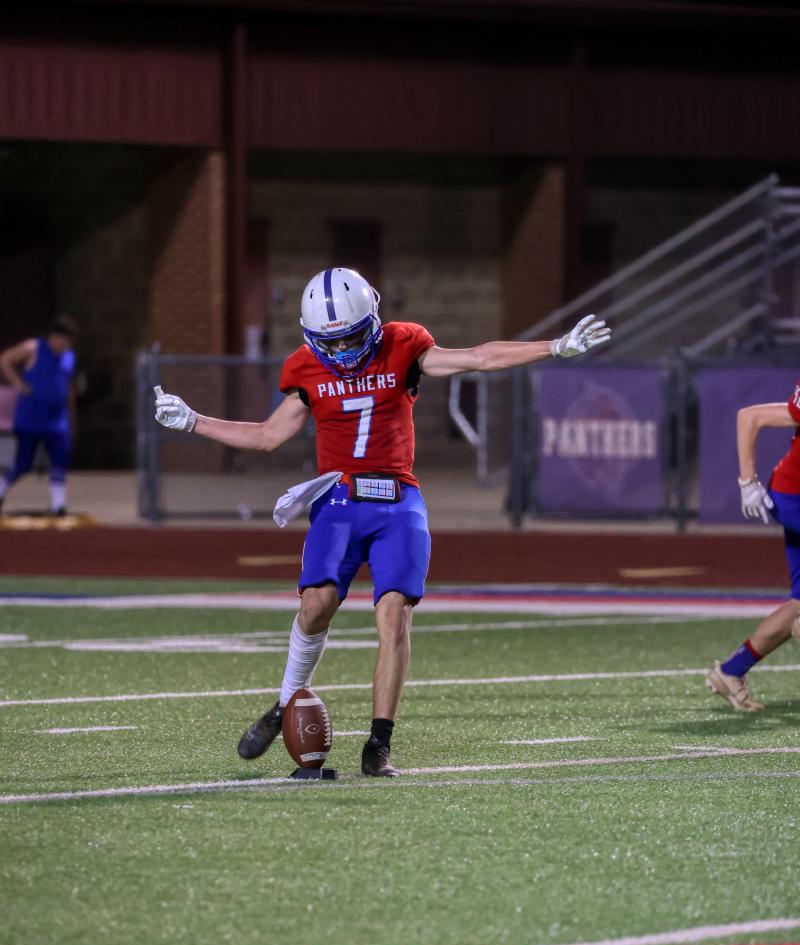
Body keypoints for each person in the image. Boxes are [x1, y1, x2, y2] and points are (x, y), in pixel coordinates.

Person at [155, 267, 611, 775]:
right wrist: (194, 421)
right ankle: (284, 703)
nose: (343, 350)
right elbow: (267, 436)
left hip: (398, 500)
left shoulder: (402, 344)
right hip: (340, 497)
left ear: (371, 321)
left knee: (395, 615)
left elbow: (478, 357)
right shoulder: (305, 367)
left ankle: (379, 744)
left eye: (351, 337)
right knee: (315, 605)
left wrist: (554, 347)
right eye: (333, 341)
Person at [706, 381, 800, 711]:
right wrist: (747, 483)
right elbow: (751, 417)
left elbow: (752, 417)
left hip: (790, 495)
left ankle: (730, 672)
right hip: (795, 499)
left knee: (798, 603)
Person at [0, 315, 79, 516]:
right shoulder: (33, 348)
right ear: (52, 337)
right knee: (23, 463)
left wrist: (71, 417)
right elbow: (5, 360)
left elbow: (68, 386)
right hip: (30, 418)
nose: (64, 345)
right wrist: (18, 384)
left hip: (57, 420)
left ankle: (58, 505)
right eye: (62, 340)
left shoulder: (69, 356)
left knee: (60, 459)